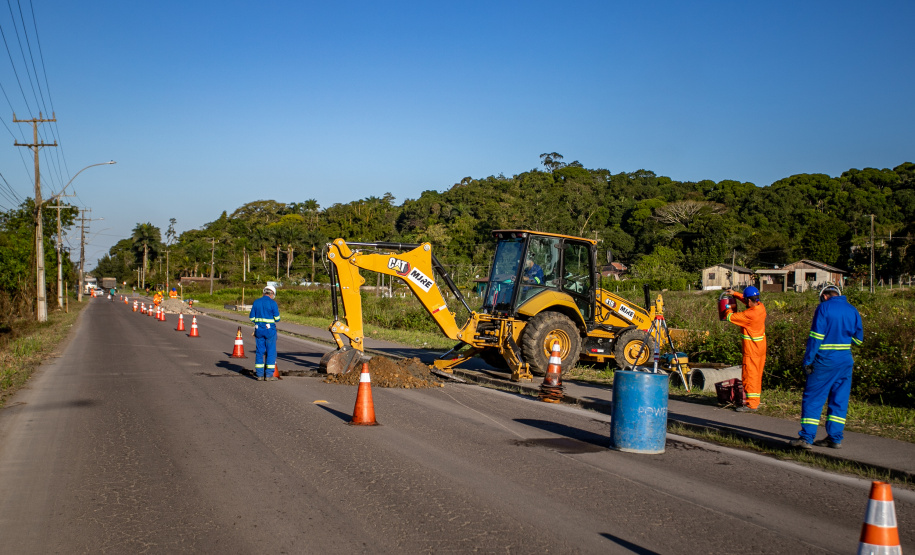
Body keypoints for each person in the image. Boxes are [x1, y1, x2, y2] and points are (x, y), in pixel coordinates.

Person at [790, 284, 863, 449]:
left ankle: (806, 438)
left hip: (824, 360)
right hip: (845, 360)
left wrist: (808, 361)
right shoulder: (852, 310)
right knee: (839, 400)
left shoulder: (823, 308)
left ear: (824, 296)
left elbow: (816, 337)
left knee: (813, 399)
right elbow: (858, 340)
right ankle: (835, 438)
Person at [723, 285, 767, 412]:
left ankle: (752, 405)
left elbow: (730, 317)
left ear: (749, 300)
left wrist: (728, 308)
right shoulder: (760, 307)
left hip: (752, 351)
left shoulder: (749, 315)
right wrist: (735, 294)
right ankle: (755, 401)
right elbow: (746, 300)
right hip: (760, 349)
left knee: (750, 377)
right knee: (757, 376)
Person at [249, 285, 281, 381]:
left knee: (259, 351)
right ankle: (268, 375)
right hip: (270, 330)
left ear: (264, 292)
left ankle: (259, 374)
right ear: (272, 294)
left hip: (258, 329)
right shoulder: (273, 303)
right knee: (271, 352)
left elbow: (252, 318)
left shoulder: (256, 302)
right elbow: (277, 319)